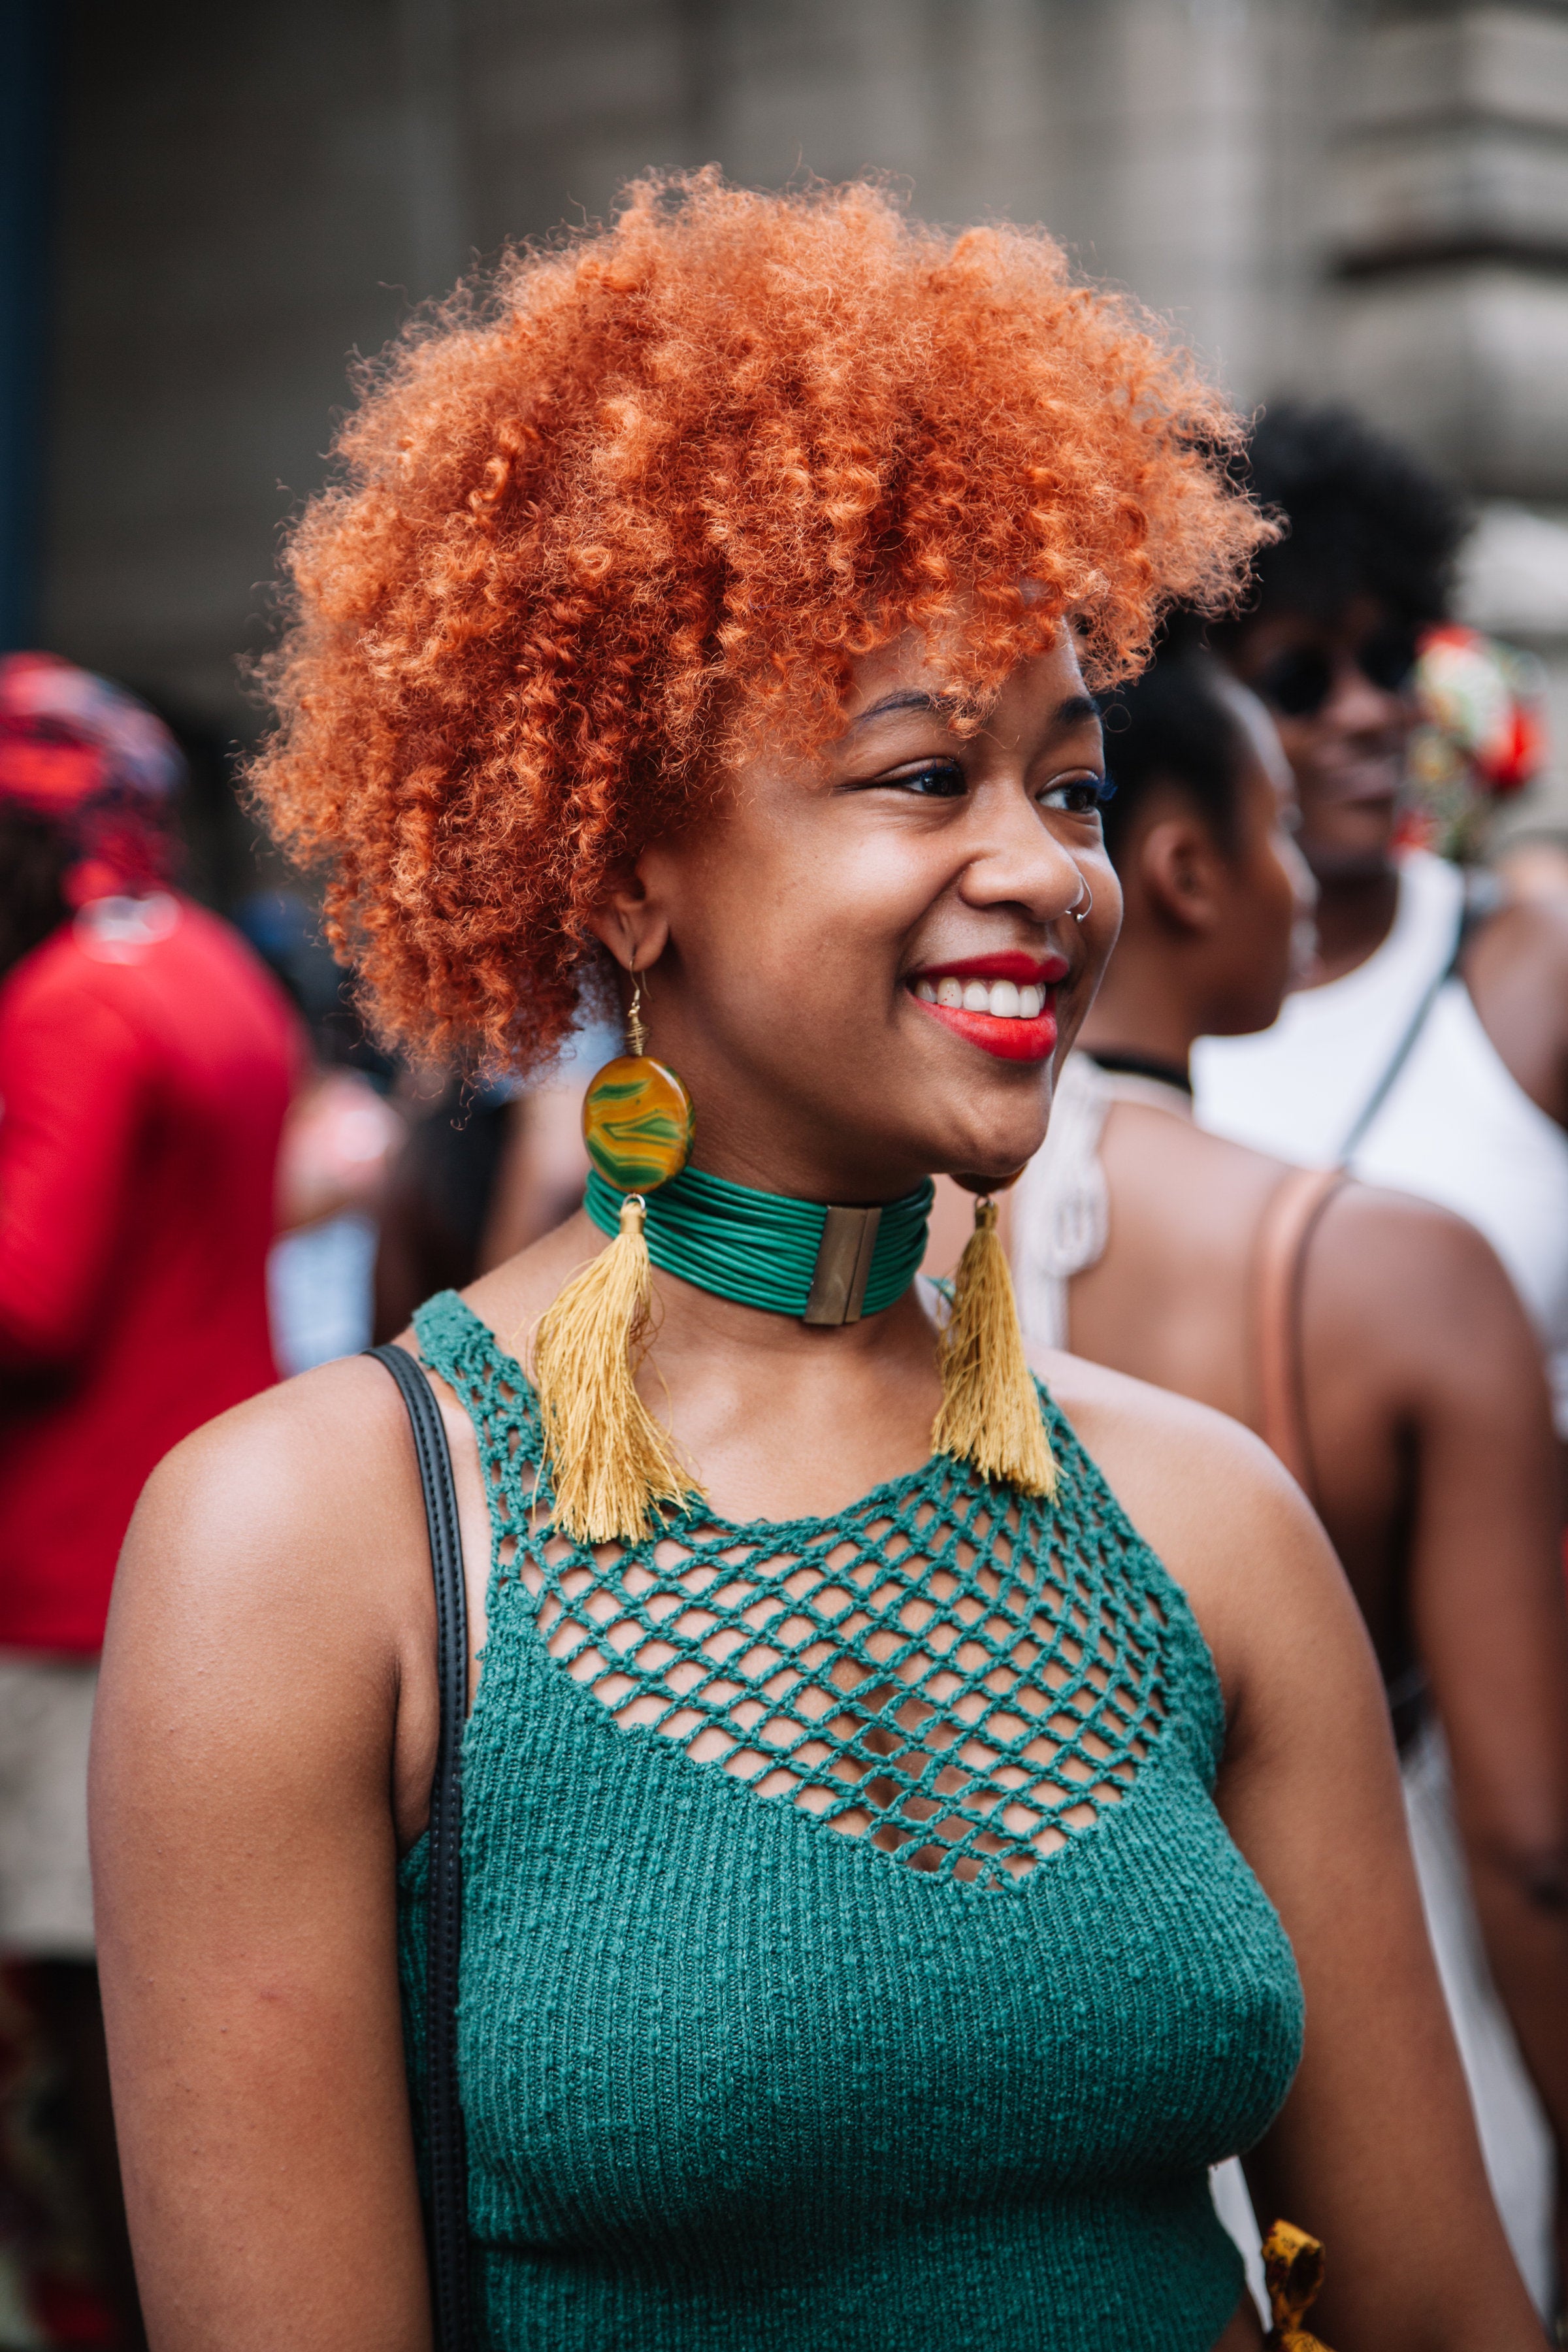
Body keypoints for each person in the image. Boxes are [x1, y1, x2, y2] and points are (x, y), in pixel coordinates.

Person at [91, 176, 1536, 2351]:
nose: (1047, 872)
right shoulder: (304, 1556)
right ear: (627, 865)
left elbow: (1432, 2317)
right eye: (928, 773)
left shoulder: (1211, 1520)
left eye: (1070, 783)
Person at [1009, 648, 1568, 2320]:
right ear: (1177, 873)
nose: (1303, 891)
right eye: (1273, 832)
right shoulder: (1396, 1276)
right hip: (1402, 2066)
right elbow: (1533, 1844)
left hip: (1044, 2110)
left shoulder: (875, 1264)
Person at [0, 653, 301, 2344]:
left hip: (61, 1592)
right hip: (186, 1562)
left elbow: (27, 1297)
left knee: (75, 2040)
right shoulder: (206, 969)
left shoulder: (66, 1000)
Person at [1192, 404, 1568, 1440]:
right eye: (1301, 679)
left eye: (1394, 659)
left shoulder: (1535, 967)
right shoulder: (1120, 1005)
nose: (1369, 710)